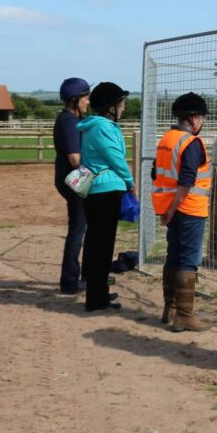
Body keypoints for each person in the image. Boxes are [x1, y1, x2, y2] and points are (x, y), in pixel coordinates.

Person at [152, 92, 212, 332]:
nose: (203, 122)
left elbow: (156, 174)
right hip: (190, 209)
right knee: (188, 260)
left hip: (170, 209)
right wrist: (175, 207)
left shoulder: (166, 138)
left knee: (173, 257)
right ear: (194, 119)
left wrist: (167, 210)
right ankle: (185, 315)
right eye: (202, 118)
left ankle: (170, 309)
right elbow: (186, 181)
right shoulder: (192, 143)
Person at [76, 82, 136, 312]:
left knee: (95, 242)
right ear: (110, 107)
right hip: (106, 189)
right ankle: (96, 298)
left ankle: (98, 291)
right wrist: (129, 181)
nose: (123, 107)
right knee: (103, 244)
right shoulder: (104, 127)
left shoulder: (92, 126)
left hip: (95, 189)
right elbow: (115, 158)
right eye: (120, 103)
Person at [54, 77, 91, 294]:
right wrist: (94, 173)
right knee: (78, 229)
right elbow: (75, 159)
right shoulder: (68, 121)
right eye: (85, 97)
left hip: (69, 179)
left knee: (79, 227)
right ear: (75, 99)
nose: (88, 101)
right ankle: (69, 280)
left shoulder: (68, 118)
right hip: (74, 180)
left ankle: (79, 276)